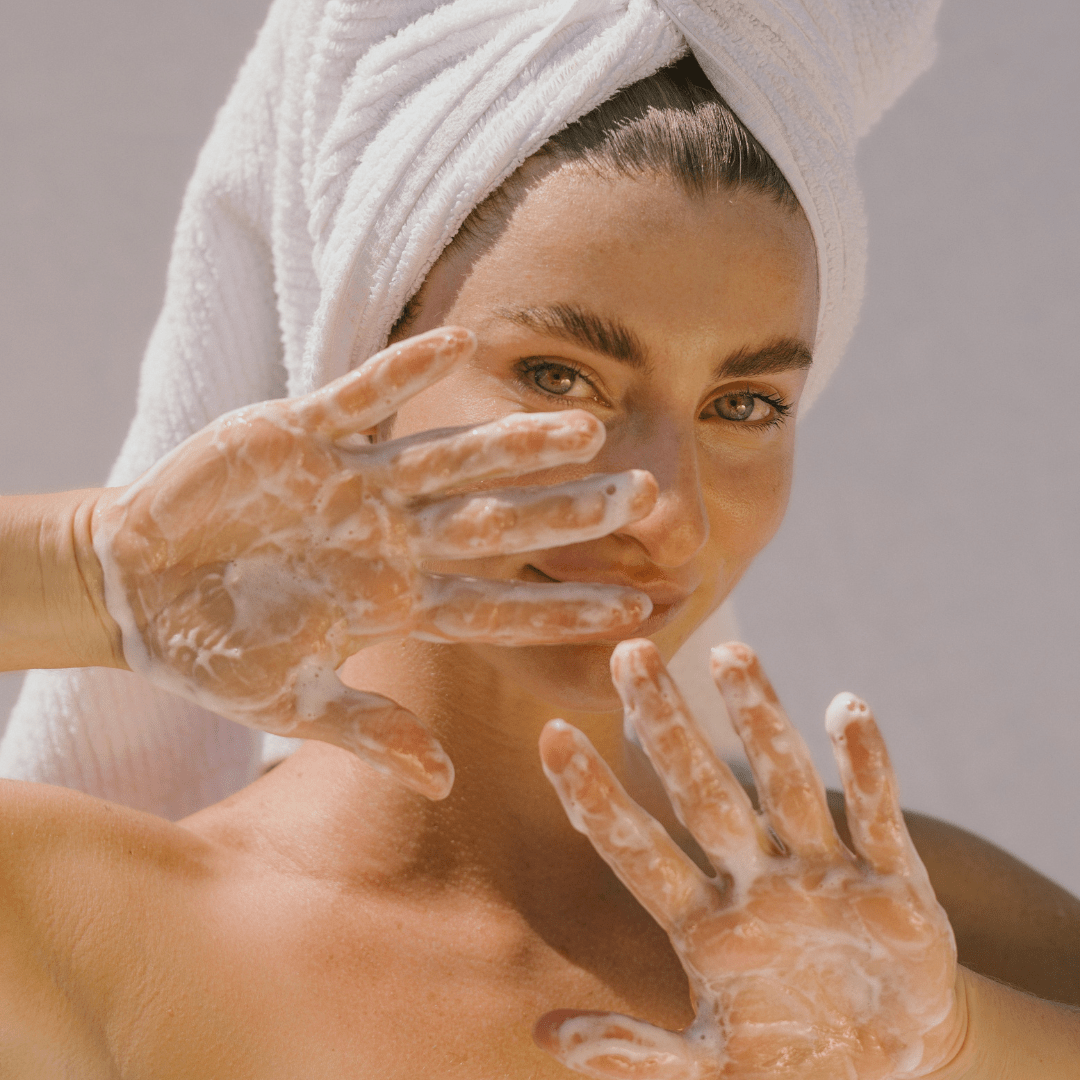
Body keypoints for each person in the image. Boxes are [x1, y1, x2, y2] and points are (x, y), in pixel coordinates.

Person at [1, 9, 1079, 1080]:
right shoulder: (79, 922)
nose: (660, 506)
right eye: (560, 378)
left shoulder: (921, 940)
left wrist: (970, 1043)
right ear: (357, 380)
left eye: (743, 405)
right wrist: (92, 572)